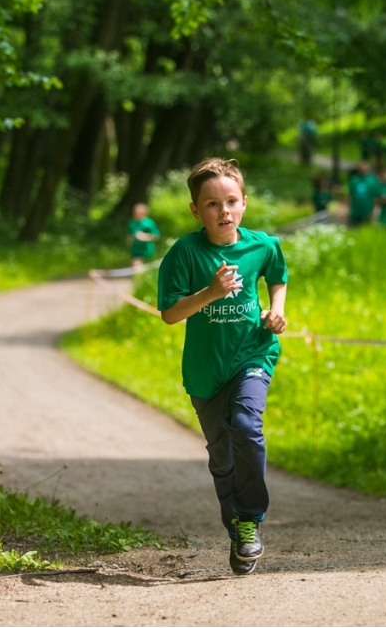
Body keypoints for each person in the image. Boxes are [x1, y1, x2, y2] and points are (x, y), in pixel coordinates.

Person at [157, 157, 288, 575]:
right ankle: (236, 528)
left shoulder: (261, 245)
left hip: (253, 353)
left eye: (231, 201)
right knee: (222, 458)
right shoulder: (185, 253)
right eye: (212, 204)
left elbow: (277, 274)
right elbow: (171, 314)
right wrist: (210, 292)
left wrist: (276, 310)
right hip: (205, 372)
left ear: (244, 203)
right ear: (196, 210)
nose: (223, 211)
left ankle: (250, 519)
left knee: (247, 426)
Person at [347, 160, 381, 227]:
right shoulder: (354, 179)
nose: (363, 169)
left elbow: (377, 197)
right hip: (355, 211)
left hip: (368, 211)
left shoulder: (373, 180)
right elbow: (350, 195)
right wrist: (347, 209)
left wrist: (375, 211)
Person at [127, 203, 160, 270]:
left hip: (147, 250)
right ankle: (137, 280)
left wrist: (144, 237)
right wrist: (129, 240)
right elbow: (130, 234)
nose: (137, 214)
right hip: (136, 249)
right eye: (136, 212)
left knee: (147, 270)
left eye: (140, 213)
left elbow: (157, 236)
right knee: (136, 269)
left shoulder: (149, 223)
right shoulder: (132, 222)